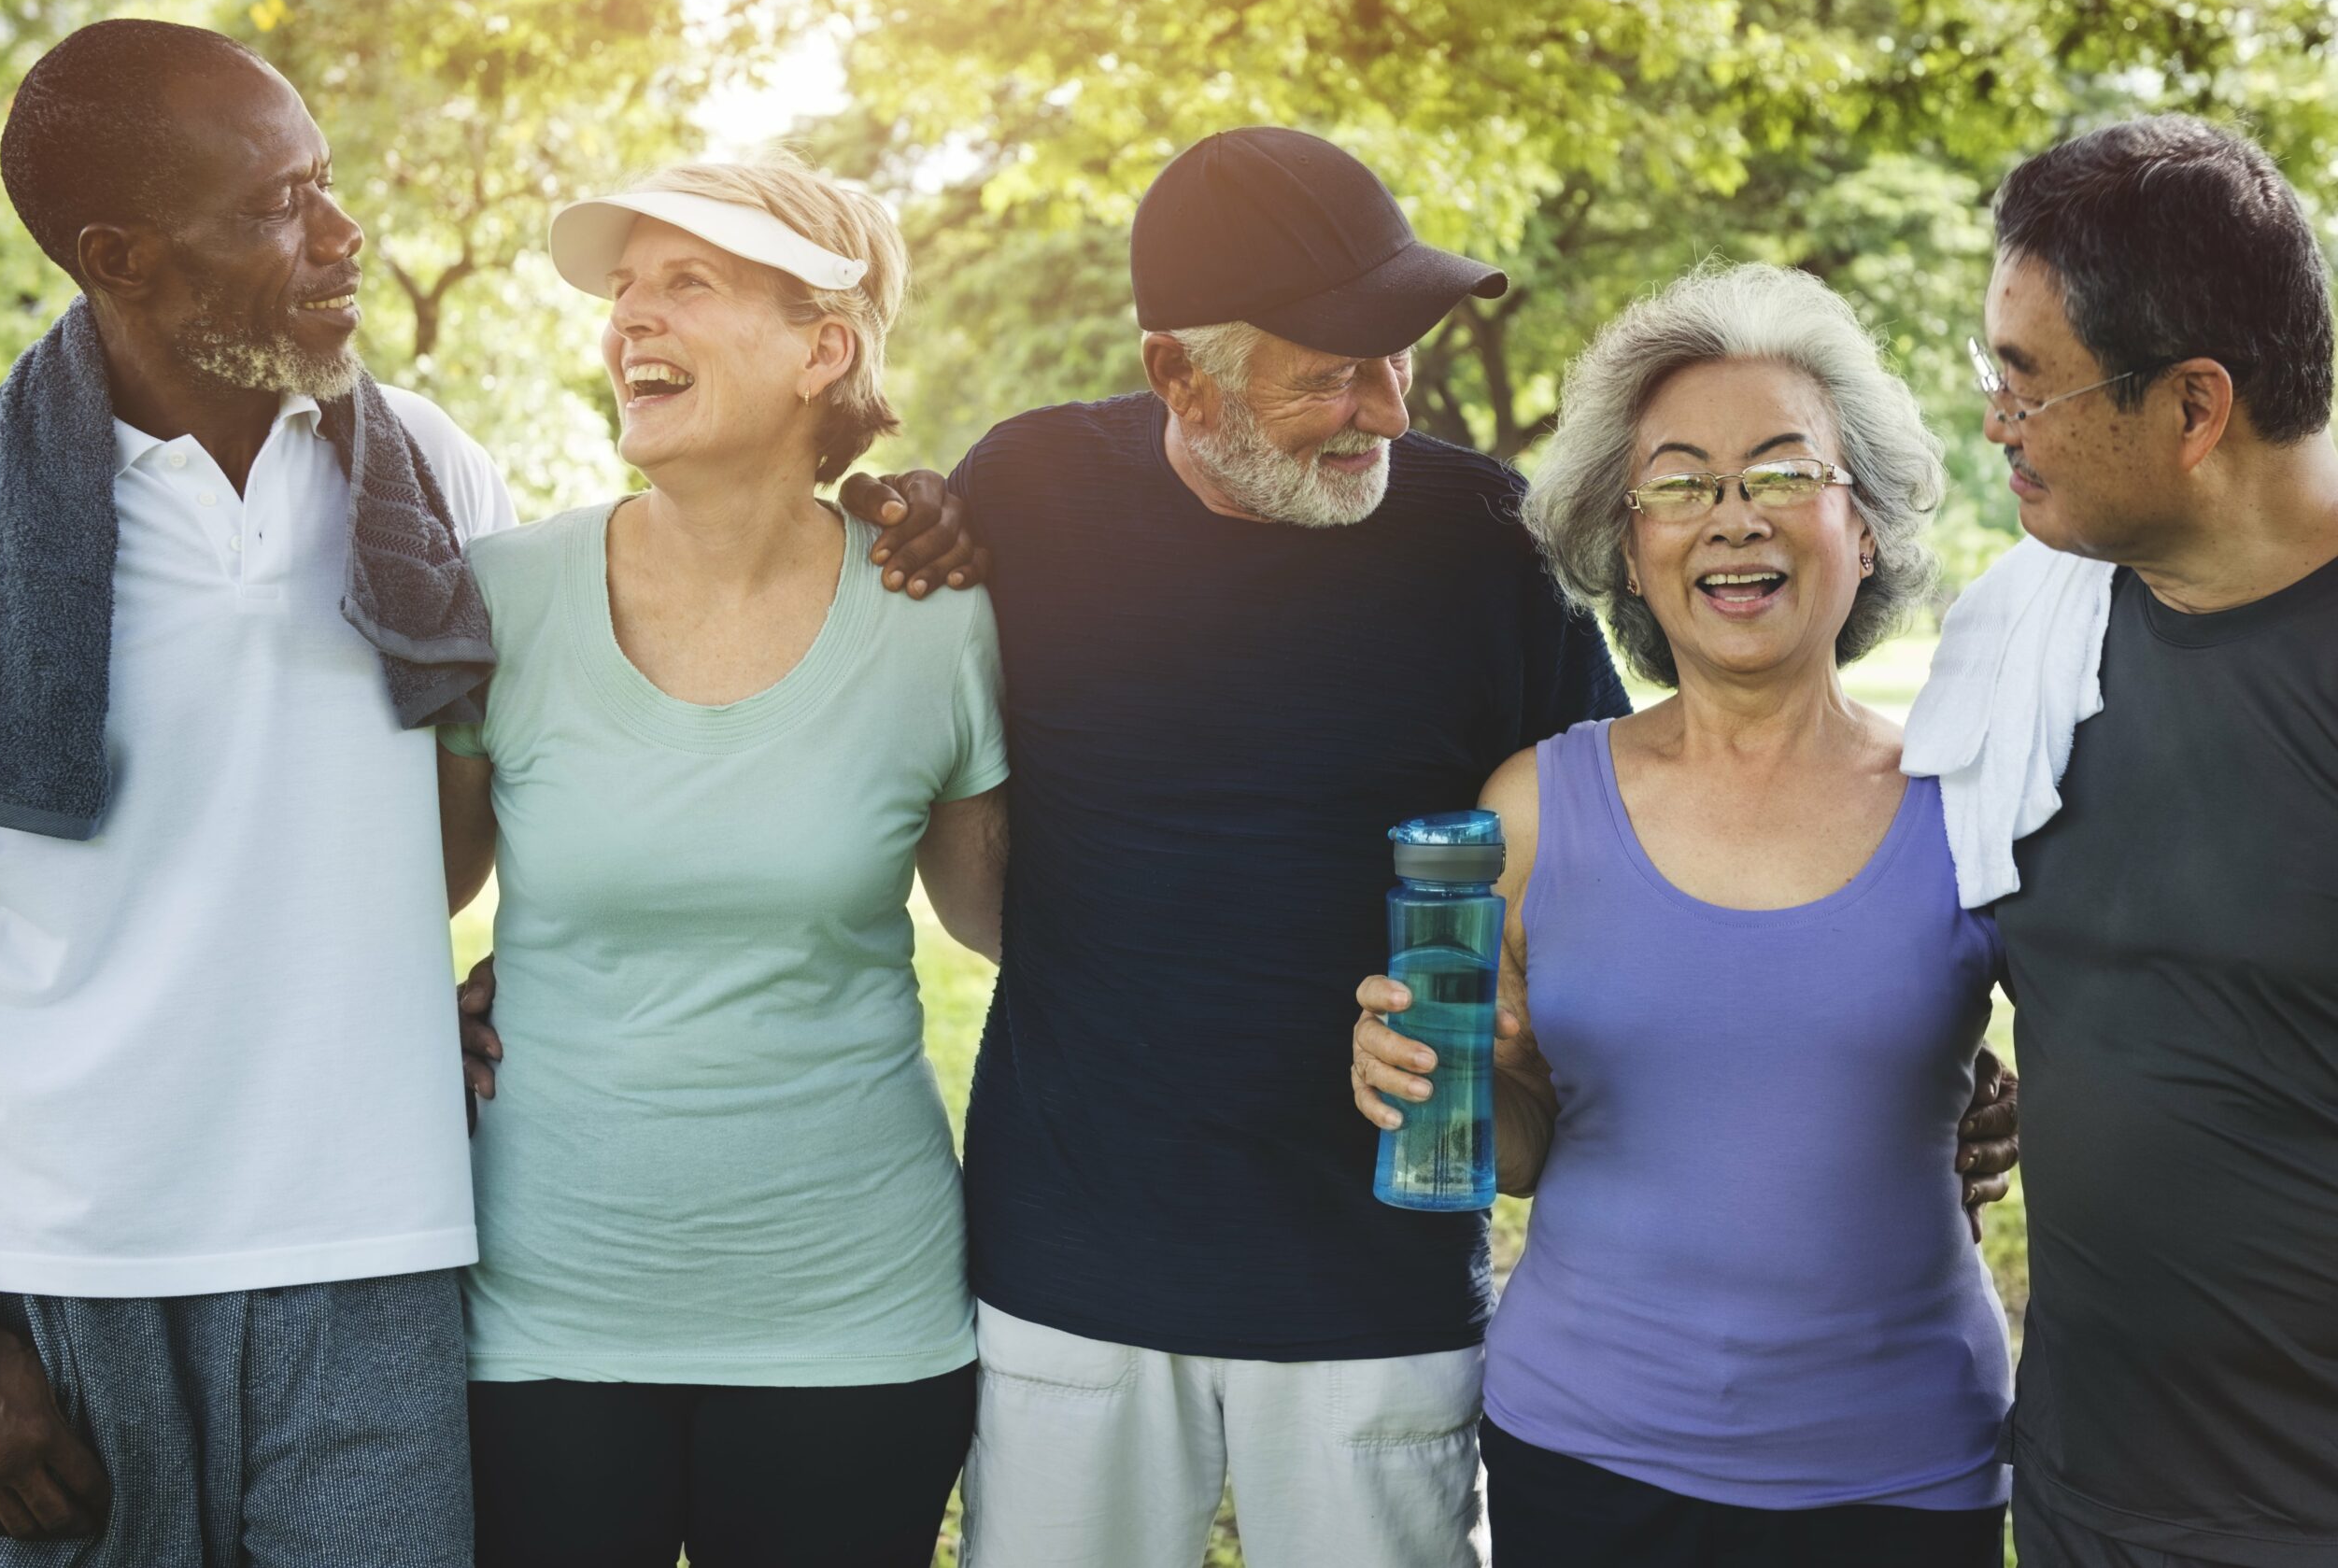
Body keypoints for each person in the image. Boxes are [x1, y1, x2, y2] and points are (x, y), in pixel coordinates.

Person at [815, 129, 2019, 1568]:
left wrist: (1869, 1052)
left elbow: (1638, 837)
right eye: (1329, 367)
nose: (1385, 404)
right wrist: (910, 518)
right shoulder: (1030, 493)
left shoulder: (1482, 540)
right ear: (1180, 379)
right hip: (1075, 1255)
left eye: (1398, 353)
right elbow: (943, 769)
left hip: (1378, 1279)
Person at [0, 23, 976, 1568]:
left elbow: (555, 776)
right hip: (78, 1252)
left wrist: (902, 505)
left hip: (387, 1250)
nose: (345, 235)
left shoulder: (424, 476)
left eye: (331, 183)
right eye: (280, 204)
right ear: (125, 257)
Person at [1351, 262, 2016, 1567]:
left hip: (1903, 1466)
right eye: (1679, 484)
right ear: (1628, 546)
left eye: (1781, 472)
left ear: (1863, 523)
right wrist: (1442, 1074)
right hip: (1589, 1458)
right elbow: (1529, 1139)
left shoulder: (1972, 804)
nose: (1731, 518)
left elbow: (2106, 1046)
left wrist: (2006, 1103)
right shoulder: (1532, 809)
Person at [435, 153, 1006, 1568]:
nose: (631, 318)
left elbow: (1006, 918)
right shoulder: (503, 597)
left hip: (854, 1313)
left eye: (687, 283)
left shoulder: (938, 617)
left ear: (824, 346)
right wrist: (409, 1023)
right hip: (547, 1308)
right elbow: (406, 895)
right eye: (624, 290)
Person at [1963, 116, 2338, 1568]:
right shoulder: (2027, 645)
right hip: (2078, 1494)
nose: (1998, 419)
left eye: (2029, 382)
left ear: (2194, 408)